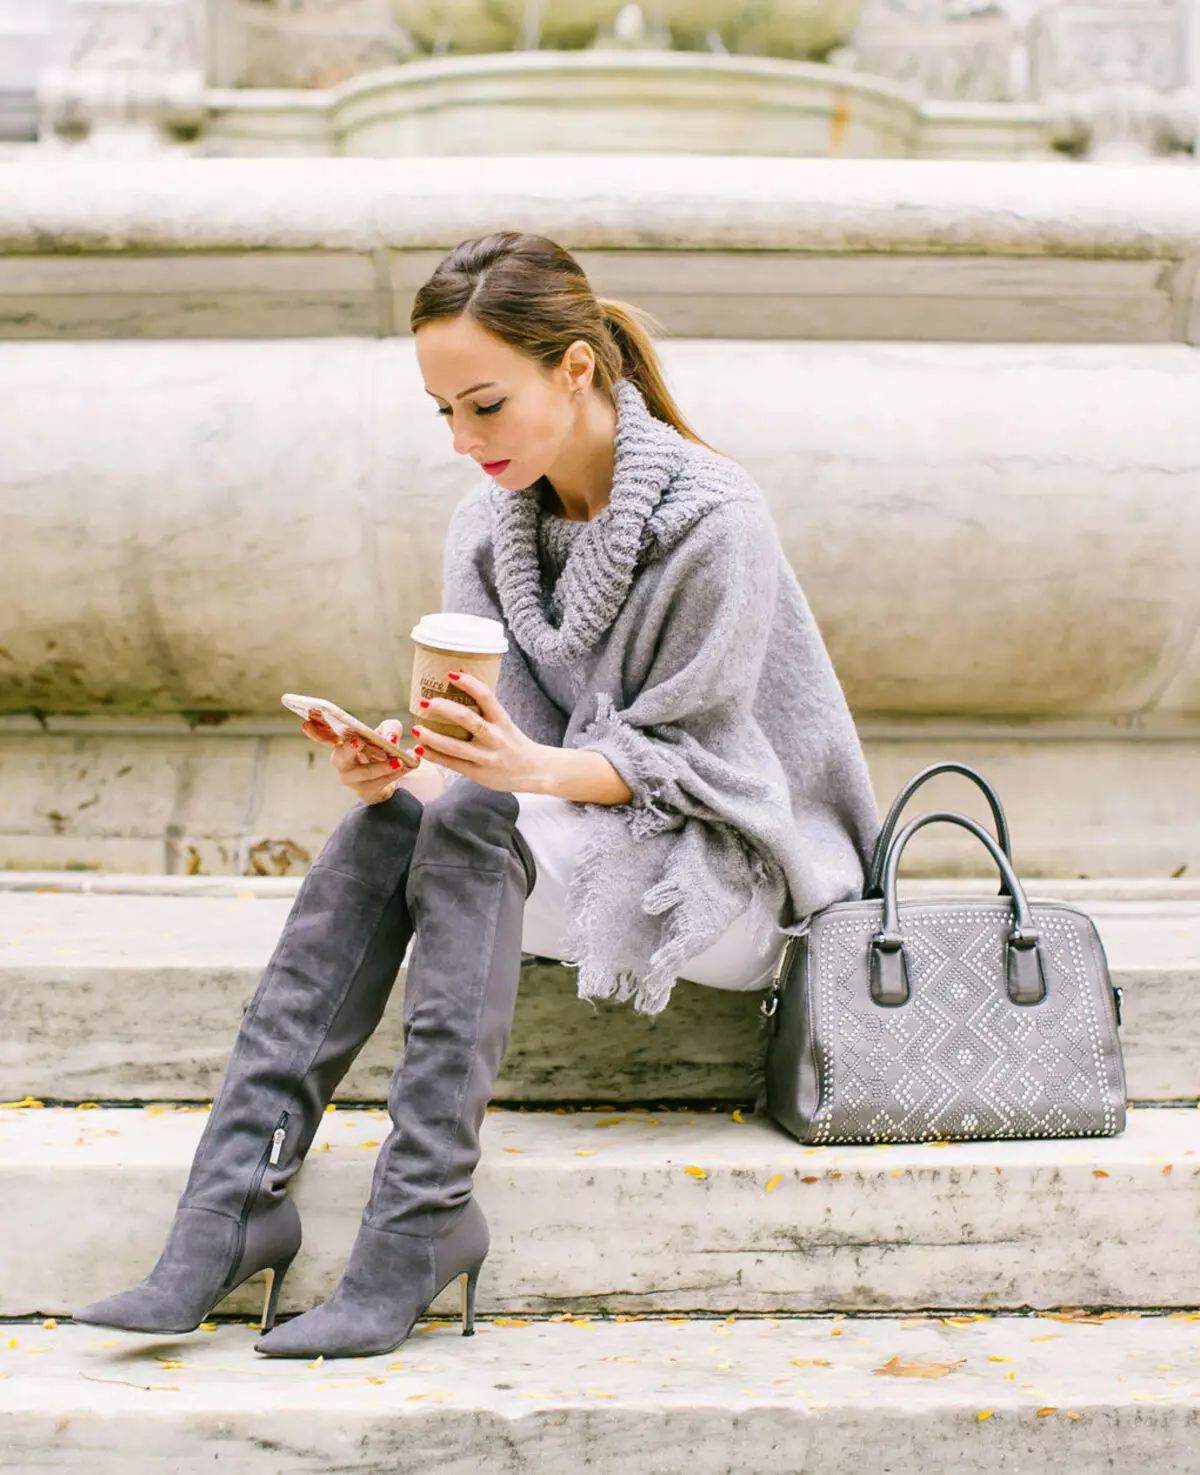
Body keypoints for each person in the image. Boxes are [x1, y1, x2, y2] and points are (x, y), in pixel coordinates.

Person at [73, 231, 879, 1360]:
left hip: (736, 876)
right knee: (392, 817)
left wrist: (515, 771)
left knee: (453, 818)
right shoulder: (488, 527)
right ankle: (233, 1206)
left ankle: (417, 1214)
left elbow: (707, 769)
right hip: (554, 838)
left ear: (577, 369)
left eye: (485, 405)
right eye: (441, 413)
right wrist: (404, 761)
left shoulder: (713, 517)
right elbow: (488, 763)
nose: (463, 440)